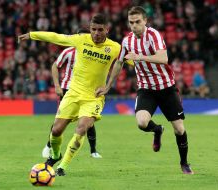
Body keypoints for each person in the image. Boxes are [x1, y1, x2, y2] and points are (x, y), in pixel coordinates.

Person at [18, 13, 124, 176]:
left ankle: (63, 167)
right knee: (56, 131)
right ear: (89, 29)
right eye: (93, 29)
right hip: (73, 94)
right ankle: (55, 155)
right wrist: (32, 35)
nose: (96, 33)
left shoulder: (115, 48)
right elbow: (56, 37)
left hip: (93, 97)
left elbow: (132, 60)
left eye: (100, 30)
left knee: (81, 129)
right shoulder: (81, 39)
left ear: (107, 30)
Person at [96, 6, 194, 175]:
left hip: (166, 88)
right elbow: (119, 63)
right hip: (146, 89)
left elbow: (163, 58)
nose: (134, 25)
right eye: (131, 22)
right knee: (141, 123)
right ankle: (157, 130)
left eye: (137, 22)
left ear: (145, 21)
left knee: (179, 129)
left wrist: (139, 56)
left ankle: (184, 163)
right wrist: (107, 86)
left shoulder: (154, 35)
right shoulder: (127, 41)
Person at [42, 33, 102, 159]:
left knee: (88, 121)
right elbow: (55, 65)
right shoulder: (68, 52)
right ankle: (49, 146)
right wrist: (57, 86)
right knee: (60, 121)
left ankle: (93, 151)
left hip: (85, 90)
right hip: (67, 89)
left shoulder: (92, 53)